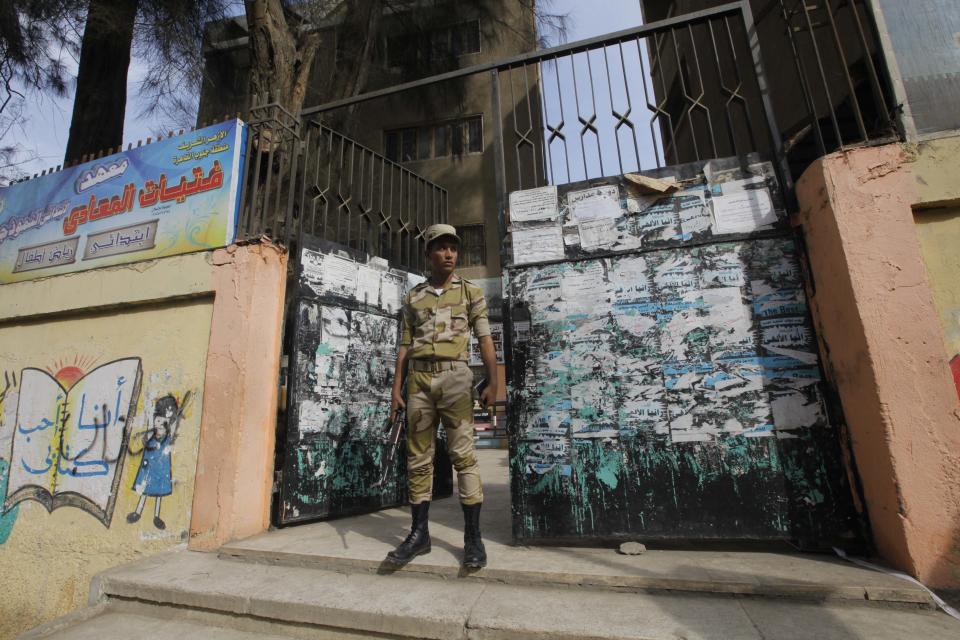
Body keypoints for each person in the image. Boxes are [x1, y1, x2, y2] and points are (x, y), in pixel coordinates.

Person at [386, 223, 498, 568]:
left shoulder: (470, 293)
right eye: (441, 248)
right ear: (428, 255)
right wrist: (396, 387)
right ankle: (420, 534)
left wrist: (494, 381)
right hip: (418, 382)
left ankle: (472, 539)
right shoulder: (413, 297)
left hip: (455, 379)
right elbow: (404, 344)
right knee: (418, 458)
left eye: (453, 248)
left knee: (463, 455)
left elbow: (484, 338)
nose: (449, 253)